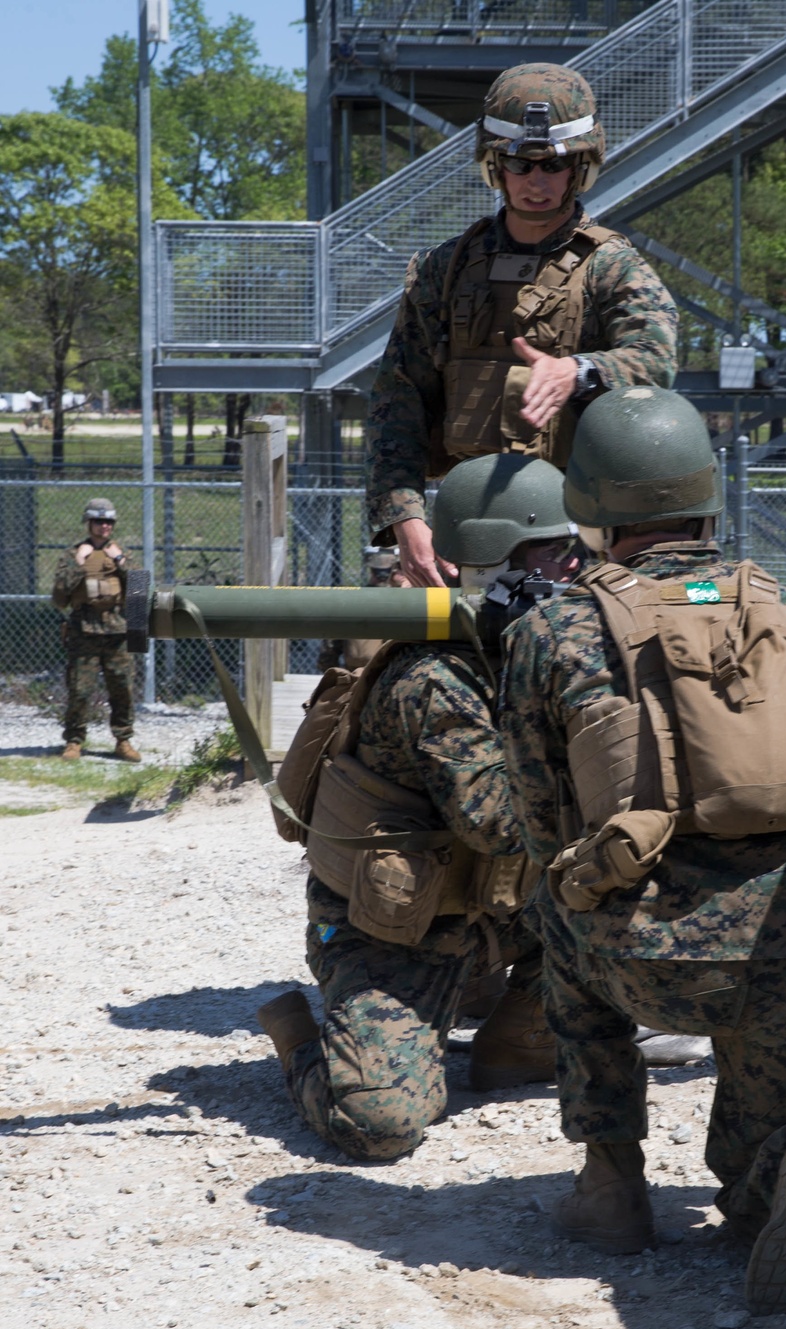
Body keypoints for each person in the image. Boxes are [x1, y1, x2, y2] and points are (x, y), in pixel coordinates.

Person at [500, 386, 786, 1315]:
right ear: (708, 496)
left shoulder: (551, 630)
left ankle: (611, 1185)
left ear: (588, 508)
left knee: (560, 914)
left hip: (642, 960)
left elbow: (539, 824)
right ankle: (775, 1189)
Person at [257, 454, 581, 1160]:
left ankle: (518, 1039)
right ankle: (300, 1038)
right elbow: (500, 824)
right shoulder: (435, 679)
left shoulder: (528, 647)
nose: (574, 568)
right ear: (494, 562)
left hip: (492, 909)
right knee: (379, 1124)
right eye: (554, 551)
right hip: (398, 932)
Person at [365, 61, 679, 587]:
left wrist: (578, 372)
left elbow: (656, 358)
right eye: (519, 163)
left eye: (554, 165)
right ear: (495, 164)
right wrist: (406, 519)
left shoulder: (610, 266)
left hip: (579, 538)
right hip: (468, 532)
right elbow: (399, 401)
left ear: (580, 167)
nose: (537, 181)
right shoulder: (444, 271)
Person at [51, 497, 141, 763]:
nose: (105, 526)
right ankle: (74, 741)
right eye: (99, 521)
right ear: (89, 523)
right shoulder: (73, 555)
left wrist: (120, 561)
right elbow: (59, 597)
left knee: (122, 688)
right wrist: (80, 563)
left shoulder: (122, 553)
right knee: (79, 689)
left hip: (117, 632)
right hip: (84, 632)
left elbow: (139, 589)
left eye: (109, 522)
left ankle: (123, 740)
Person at [317, 545, 410, 674]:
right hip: (391, 675)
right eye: (400, 567)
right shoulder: (405, 603)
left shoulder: (351, 600)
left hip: (357, 675)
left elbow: (328, 652)